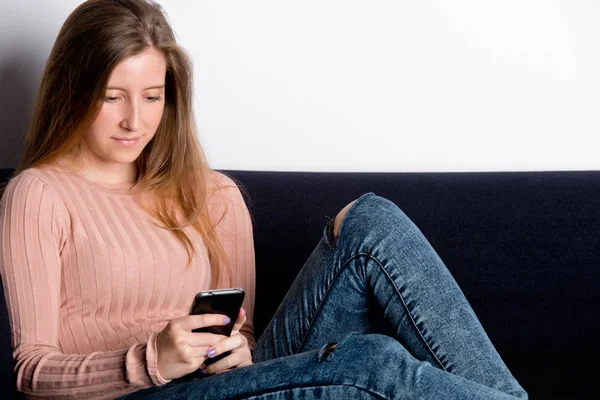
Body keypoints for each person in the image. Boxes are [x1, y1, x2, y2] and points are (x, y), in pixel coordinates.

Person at [0, 0, 527, 399]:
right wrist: (149, 360)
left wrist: (237, 348)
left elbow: (245, 337)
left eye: (152, 97)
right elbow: (29, 371)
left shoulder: (212, 195)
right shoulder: (39, 196)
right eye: (111, 97)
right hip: (141, 393)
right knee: (373, 358)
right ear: (72, 90)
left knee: (369, 220)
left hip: (224, 385)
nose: (134, 120)